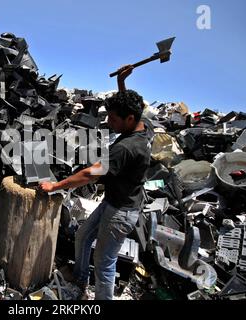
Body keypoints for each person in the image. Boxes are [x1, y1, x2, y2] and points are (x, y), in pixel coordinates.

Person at [39, 65, 152, 300]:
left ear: (129, 119)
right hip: (114, 202)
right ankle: (80, 280)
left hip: (121, 212)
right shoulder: (141, 127)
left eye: (113, 118)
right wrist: (122, 83)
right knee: (82, 236)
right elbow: (131, 108)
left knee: (104, 264)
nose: (108, 122)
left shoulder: (127, 148)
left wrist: (55, 186)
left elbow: (91, 174)